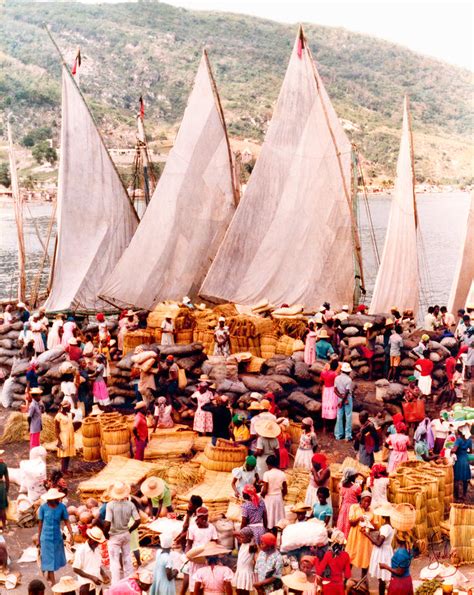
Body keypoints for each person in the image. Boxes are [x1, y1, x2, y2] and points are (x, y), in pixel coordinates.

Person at [104, 481, 140, 585]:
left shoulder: (110, 505)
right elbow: (138, 521)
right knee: (127, 559)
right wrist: (130, 530)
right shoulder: (130, 504)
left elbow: (107, 523)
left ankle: (116, 585)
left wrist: (106, 535)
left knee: (114, 562)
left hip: (114, 535)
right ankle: (129, 583)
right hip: (125, 533)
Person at [38, 488, 73, 587]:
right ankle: (52, 581)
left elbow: (66, 521)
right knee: (48, 558)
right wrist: (39, 538)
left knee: (54, 558)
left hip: (57, 537)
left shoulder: (62, 507)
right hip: (46, 537)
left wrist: (71, 534)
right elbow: (40, 524)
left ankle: (49, 574)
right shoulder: (43, 508)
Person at [186, 506, 218, 594]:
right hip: (195, 559)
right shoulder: (192, 528)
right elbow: (189, 544)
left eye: (206, 518)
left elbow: (215, 542)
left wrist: (214, 558)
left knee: (205, 585)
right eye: (202, 518)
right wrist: (188, 556)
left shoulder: (211, 528)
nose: (205, 520)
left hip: (206, 560)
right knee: (194, 585)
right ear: (198, 518)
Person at [345, 491, 375, 585]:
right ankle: (346, 580)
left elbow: (375, 526)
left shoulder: (371, 511)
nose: (366, 504)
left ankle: (363, 582)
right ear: (361, 500)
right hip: (354, 537)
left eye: (368, 502)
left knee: (365, 559)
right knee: (350, 557)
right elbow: (351, 522)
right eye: (365, 501)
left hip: (365, 538)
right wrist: (359, 519)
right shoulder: (354, 507)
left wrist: (369, 525)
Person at [366, 504, 395, 595]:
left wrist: (367, 535)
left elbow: (379, 543)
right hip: (386, 550)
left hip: (382, 552)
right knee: (382, 577)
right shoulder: (390, 526)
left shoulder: (386, 527)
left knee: (381, 578)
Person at [72, 526, 109, 594]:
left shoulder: (97, 549)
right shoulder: (81, 550)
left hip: (97, 582)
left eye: (98, 542)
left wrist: (103, 574)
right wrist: (91, 577)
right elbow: (75, 569)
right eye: (95, 542)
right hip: (86, 584)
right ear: (90, 539)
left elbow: (97, 565)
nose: (97, 544)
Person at [314, 529, 351, 595]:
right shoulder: (346, 555)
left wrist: (316, 560)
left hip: (328, 586)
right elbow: (347, 575)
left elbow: (319, 571)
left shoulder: (328, 554)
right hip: (339, 586)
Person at [261, 455, 287, 530]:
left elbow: (265, 490)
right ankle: (277, 534)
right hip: (278, 497)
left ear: (268, 464)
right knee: (278, 518)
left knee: (269, 517)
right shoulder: (282, 474)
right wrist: (280, 496)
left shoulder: (267, 474)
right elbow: (285, 490)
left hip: (269, 499)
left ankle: (269, 533)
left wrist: (262, 495)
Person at [336, 468, 361, 537]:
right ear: (352, 476)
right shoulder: (356, 487)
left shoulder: (341, 485)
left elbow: (341, 495)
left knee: (343, 523)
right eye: (355, 476)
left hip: (344, 507)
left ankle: (342, 539)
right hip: (353, 508)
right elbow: (359, 499)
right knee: (350, 525)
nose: (356, 477)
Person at [55, 400, 76, 474]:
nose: (70, 408)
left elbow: (73, 415)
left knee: (68, 454)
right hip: (63, 437)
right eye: (69, 407)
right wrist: (59, 440)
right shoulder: (58, 416)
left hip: (70, 437)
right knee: (64, 455)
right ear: (65, 408)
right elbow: (57, 429)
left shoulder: (69, 414)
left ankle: (65, 469)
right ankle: (63, 470)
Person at [233, 526, 256, 595]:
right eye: (240, 537)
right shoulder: (243, 543)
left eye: (242, 537)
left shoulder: (251, 546)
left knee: (244, 590)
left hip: (246, 571)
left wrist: (252, 539)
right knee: (238, 590)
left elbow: (254, 541)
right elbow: (235, 534)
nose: (240, 538)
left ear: (249, 537)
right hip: (240, 569)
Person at [334, 363, 353, 441]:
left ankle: (338, 435)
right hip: (347, 399)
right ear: (348, 372)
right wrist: (344, 400)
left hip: (339, 397)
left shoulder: (337, 378)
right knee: (348, 416)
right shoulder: (349, 380)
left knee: (339, 416)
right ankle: (347, 436)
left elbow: (335, 390)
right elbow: (347, 392)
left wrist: (341, 400)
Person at [452, 427, 472, 501]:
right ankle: (464, 495)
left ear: (459, 432)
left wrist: (450, 450)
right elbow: (470, 451)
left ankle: (456, 496)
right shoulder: (469, 440)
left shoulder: (459, 440)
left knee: (456, 479)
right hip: (465, 460)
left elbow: (454, 450)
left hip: (459, 460)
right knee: (465, 479)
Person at [320, 359, 339, 432]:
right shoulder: (335, 374)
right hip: (332, 391)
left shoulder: (323, 373)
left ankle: (324, 427)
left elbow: (321, 381)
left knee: (325, 407)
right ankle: (334, 426)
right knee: (334, 407)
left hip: (326, 391)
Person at [0, 450, 8, 532]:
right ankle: (4, 525)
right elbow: (7, 480)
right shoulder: (3, 465)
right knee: (2, 508)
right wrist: (7, 490)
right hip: (1, 487)